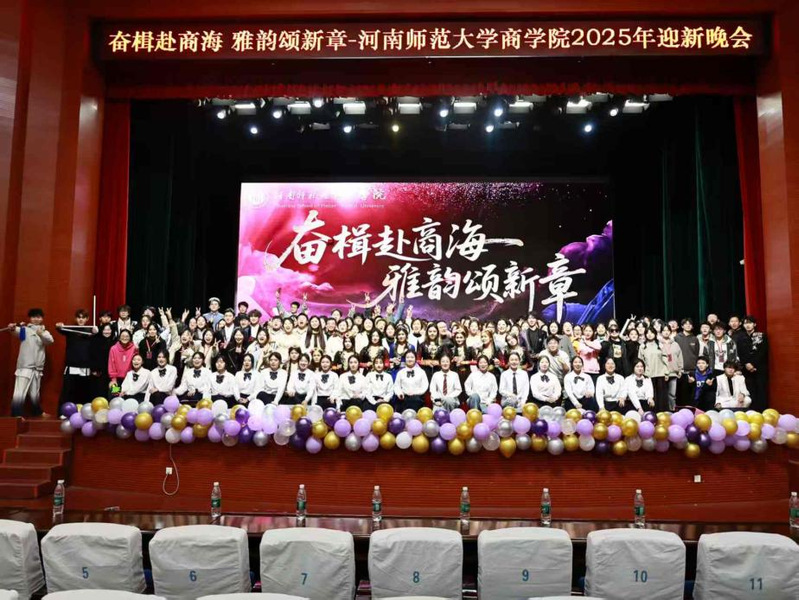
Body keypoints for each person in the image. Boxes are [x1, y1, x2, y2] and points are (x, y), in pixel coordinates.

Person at [8, 309, 54, 417]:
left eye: (38, 317)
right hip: (25, 367)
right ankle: (16, 414)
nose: (36, 319)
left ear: (42, 318)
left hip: (37, 368)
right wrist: (12, 328)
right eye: (33, 317)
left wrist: (41, 334)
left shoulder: (44, 331)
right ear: (30, 318)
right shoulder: (24, 329)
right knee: (19, 392)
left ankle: (37, 412)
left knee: (35, 393)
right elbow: (15, 331)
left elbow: (50, 341)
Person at [55, 309, 96, 409]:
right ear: (76, 318)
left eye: (83, 317)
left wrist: (96, 333)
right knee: (68, 391)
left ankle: (83, 411)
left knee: (84, 391)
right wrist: (59, 326)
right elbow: (60, 329)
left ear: (87, 319)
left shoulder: (91, 331)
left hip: (86, 367)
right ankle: (63, 412)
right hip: (72, 366)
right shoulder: (71, 330)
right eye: (79, 317)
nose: (81, 320)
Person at [737, 315, 768, 411]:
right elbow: (740, 353)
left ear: (754, 324)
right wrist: (747, 363)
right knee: (750, 390)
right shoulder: (740, 337)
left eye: (750, 323)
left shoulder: (761, 336)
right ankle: (752, 412)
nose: (748, 325)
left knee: (761, 390)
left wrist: (753, 364)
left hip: (759, 368)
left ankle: (762, 411)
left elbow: (762, 352)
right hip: (746, 369)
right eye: (745, 323)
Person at [638, 328, 669, 411]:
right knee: (651, 395)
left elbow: (665, 359)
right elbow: (640, 360)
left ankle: (662, 413)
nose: (649, 334)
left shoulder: (660, 345)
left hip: (660, 373)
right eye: (647, 333)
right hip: (648, 374)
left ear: (655, 334)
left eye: (651, 332)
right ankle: (651, 413)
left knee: (661, 396)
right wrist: (641, 373)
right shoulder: (642, 346)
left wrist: (666, 372)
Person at [674, 318, 700, 406]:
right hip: (679, 371)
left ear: (692, 326)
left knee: (690, 395)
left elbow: (696, 354)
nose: (688, 325)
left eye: (690, 324)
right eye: (686, 324)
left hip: (691, 370)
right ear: (682, 326)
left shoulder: (695, 339)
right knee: (679, 394)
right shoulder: (676, 338)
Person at [659, 327, 683, 411]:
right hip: (662, 373)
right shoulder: (658, 344)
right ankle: (662, 411)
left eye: (668, 330)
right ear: (661, 332)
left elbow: (680, 357)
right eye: (664, 330)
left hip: (673, 372)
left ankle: (672, 410)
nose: (666, 332)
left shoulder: (675, 344)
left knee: (672, 394)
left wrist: (680, 369)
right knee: (662, 394)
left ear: (670, 332)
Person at [89, 323, 116, 398]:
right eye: (105, 330)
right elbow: (92, 356)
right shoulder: (96, 341)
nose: (107, 332)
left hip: (113, 373)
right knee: (100, 392)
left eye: (109, 330)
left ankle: (115, 404)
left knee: (115, 392)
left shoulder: (115, 342)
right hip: (100, 372)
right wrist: (93, 369)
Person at [108, 329, 137, 393]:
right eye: (123, 336)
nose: (124, 338)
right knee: (115, 394)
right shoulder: (113, 348)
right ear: (119, 337)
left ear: (130, 338)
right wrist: (113, 379)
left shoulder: (134, 348)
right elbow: (111, 365)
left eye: (127, 336)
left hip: (130, 378)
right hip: (117, 379)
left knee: (127, 395)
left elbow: (137, 362)